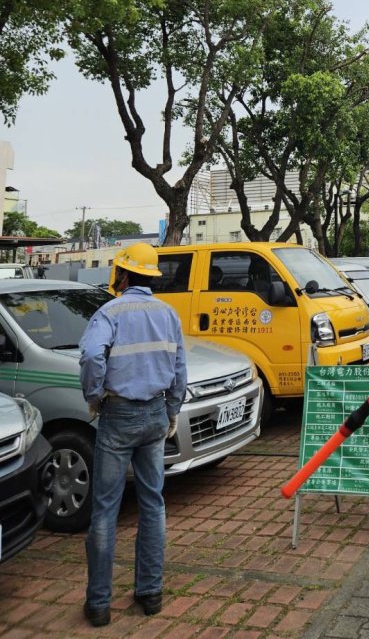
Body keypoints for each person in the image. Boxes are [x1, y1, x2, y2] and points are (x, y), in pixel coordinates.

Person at [79, 242, 187, 628]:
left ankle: (99, 605)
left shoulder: (109, 312)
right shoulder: (168, 313)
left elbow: (92, 357)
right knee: (152, 503)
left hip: (118, 416)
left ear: (123, 275)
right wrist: (172, 411)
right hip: (156, 414)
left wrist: (94, 397)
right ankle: (150, 594)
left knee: (106, 508)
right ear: (151, 276)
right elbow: (179, 367)